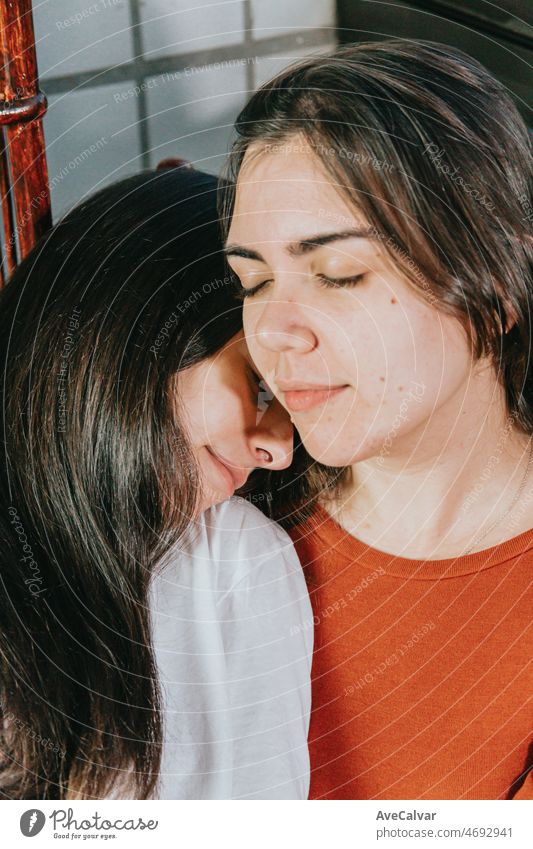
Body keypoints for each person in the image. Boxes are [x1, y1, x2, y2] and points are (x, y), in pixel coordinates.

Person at [221, 39, 533, 799]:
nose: (275, 331)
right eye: (252, 282)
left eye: (339, 274)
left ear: (495, 284)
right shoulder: (221, 524)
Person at [0, 166, 312, 800]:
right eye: (257, 386)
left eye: (296, 412)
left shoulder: (236, 565)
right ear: (133, 341)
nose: (279, 451)